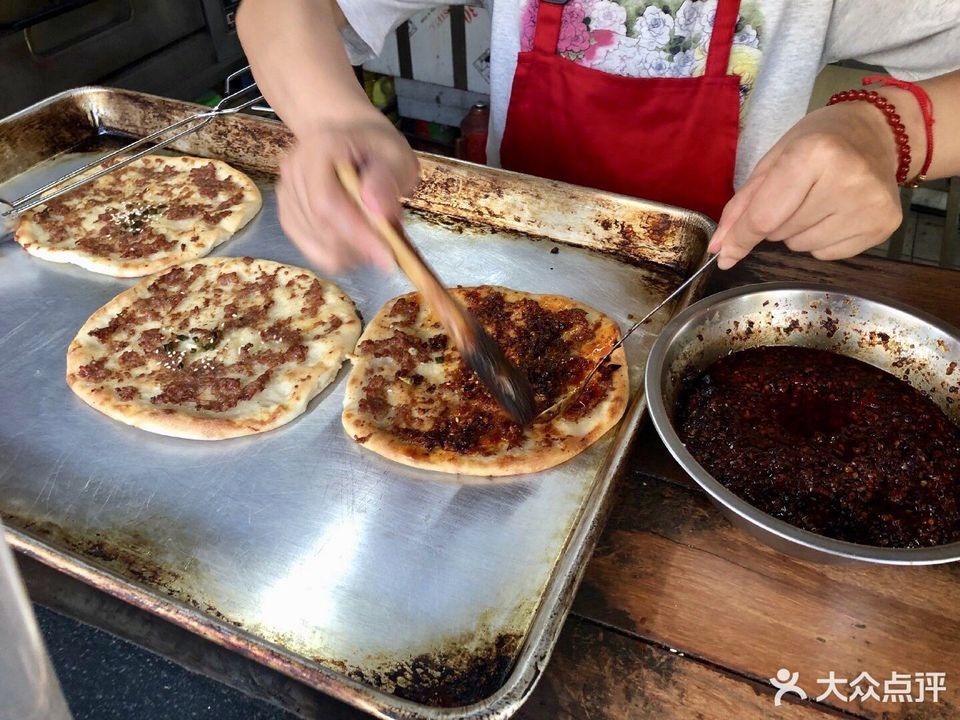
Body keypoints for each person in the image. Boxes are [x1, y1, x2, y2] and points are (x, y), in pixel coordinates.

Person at [236, 0, 960, 272]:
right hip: (510, 267)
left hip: (723, 288)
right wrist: (337, 119)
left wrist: (887, 131)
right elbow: (284, 10)